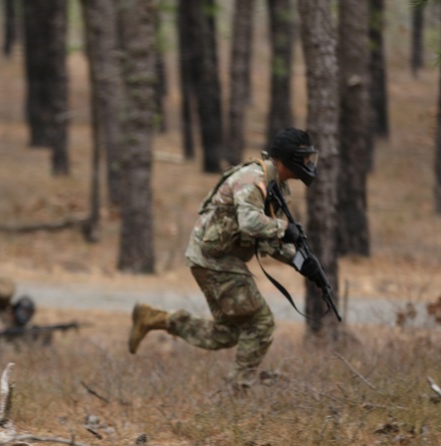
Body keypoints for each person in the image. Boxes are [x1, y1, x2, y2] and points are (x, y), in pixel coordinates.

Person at [127, 127, 322, 390]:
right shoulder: (253, 179)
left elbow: (268, 238)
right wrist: (285, 229)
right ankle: (238, 391)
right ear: (289, 158)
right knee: (261, 324)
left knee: (227, 333)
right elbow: (250, 222)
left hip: (214, 258)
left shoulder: (276, 185)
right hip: (213, 260)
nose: (310, 164)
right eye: (305, 158)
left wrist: (301, 262)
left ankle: (153, 318)